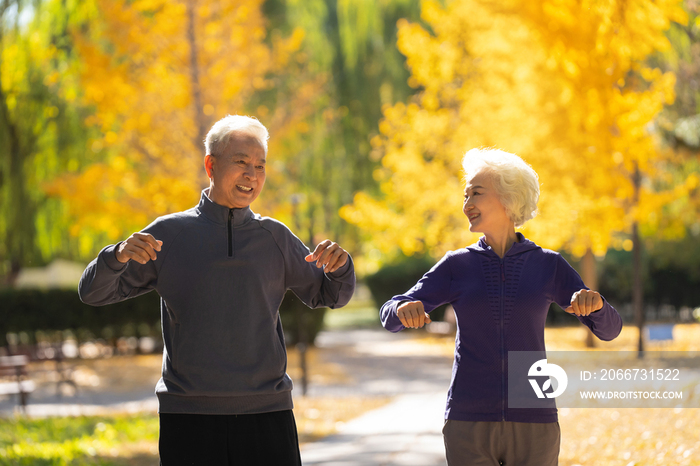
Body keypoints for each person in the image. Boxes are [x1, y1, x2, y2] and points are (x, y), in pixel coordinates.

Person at [79, 115, 356, 465]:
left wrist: (341, 267)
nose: (252, 175)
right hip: (189, 419)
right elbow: (93, 292)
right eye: (241, 162)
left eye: (260, 165)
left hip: (267, 415)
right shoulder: (170, 234)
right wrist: (116, 256)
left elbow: (329, 294)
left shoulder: (276, 237)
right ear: (211, 165)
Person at [380, 148, 622, 466]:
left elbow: (610, 329)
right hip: (468, 420)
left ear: (508, 198)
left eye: (476, 194)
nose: (466, 205)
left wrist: (597, 306)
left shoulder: (548, 265)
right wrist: (401, 311)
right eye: (465, 196)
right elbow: (391, 312)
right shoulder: (457, 265)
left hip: (535, 420)